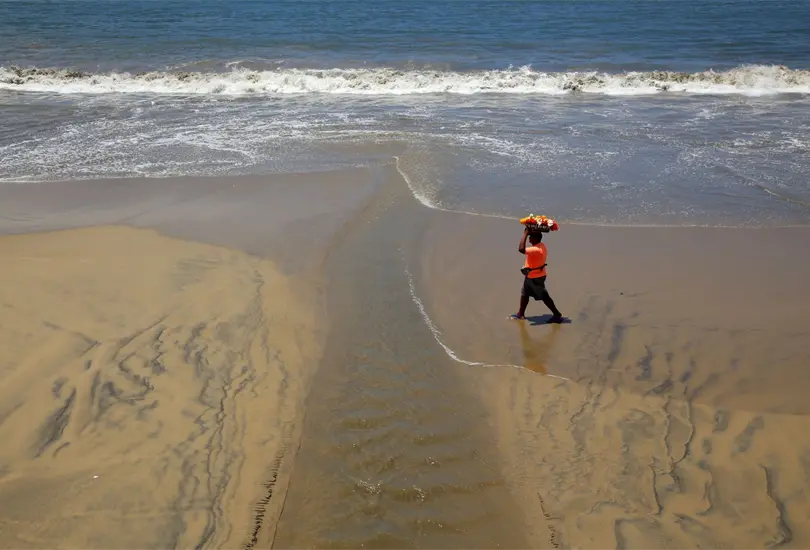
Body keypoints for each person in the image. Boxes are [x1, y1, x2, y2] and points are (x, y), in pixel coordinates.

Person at [510, 226, 564, 322]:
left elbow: (521, 249)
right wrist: (527, 233)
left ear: (536, 238)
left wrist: (525, 234)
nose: (529, 238)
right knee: (525, 293)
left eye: (531, 236)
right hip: (533, 275)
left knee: (544, 296)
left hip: (535, 277)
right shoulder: (541, 245)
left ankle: (557, 314)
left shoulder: (536, 249)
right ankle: (521, 313)